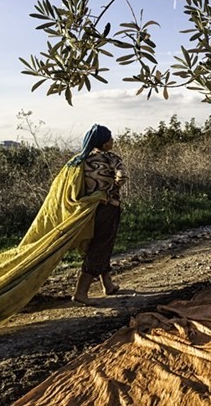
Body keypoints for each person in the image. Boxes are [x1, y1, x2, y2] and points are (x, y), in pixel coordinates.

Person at [69, 124, 127, 303]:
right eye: (110, 139)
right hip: (108, 207)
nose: (112, 141)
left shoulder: (80, 160)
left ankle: (107, 284)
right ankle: (81, 292)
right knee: (101, 245)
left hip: (88, 209)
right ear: (104, 142)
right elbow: (122, 176)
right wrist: (111, 190)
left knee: (99, 244)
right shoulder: (111, 158)